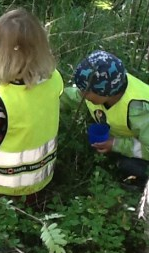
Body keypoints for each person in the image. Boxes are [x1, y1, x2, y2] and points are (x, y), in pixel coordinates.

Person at [0, 8, 63, 197]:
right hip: (41, 174)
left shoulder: (2, 97)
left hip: (4, 179)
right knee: (33, 205)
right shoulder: (54, 79)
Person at [63, 50, 149, 186]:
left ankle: (136, 187)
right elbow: (70, 97)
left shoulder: (139, 109)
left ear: (106, 92)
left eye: (85, 91)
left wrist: (116, 144)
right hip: (123, 138)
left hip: (145, 148)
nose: (82, 94)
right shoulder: (99, 88)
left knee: (129, 166)